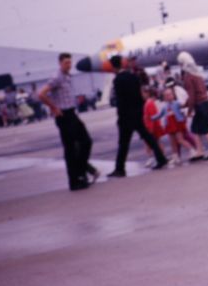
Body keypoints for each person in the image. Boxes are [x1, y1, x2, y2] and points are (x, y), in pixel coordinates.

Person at [37, 52, 98, 191]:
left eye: (70, 63)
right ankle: (75, 181)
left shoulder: (67, 76)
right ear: (60, 63)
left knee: (86, 141)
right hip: (64, 116)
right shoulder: (56, 77)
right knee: (70, 149)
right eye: (66, 63)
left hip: (71, 113)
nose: (69, 65)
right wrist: (53, 107)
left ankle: (81, 171)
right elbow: (41, 94)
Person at [109, 55, 168, 177]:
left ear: (113, 66)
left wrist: (120, 117)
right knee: (148, 138)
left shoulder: (117, 80)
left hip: (126, 116)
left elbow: (121, 101)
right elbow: (139, 96)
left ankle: (120, 169)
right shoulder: (133, 76)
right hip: (137, 113)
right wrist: (141, 110)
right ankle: (161, 159)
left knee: (123, 143)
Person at [178, 51, 208, 159]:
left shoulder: (188, 77)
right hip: (205, 102)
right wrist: (185, 105)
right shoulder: (197, 74)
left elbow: (192, 96)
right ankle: (201, 151)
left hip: (199, 104)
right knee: (196, 128)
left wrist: (188, 110)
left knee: (204, 128)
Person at [152, 86, 200, 163]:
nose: (169, 96)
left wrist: (188, 108)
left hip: (177, 124)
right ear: (164, 97)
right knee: (173, 142)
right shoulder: (165, 106)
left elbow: (184, 106)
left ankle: (192, 150)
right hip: (169, 125)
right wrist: (151, 118)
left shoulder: (177, 103)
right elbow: (159, 115)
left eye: (170, 94)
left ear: (173, 95)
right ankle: (176, 157)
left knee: (180, 140)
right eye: (166, 95)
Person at [141, 85, 169, 166]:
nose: (142, 95)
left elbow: (153, 117)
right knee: (156, 142)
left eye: (142, 93)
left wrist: (150, 128)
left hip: (152, 127)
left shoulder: (149, 103)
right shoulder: (149, 102)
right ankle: (160, 156)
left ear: (147, 93)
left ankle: (153, 157)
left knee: (150, 143)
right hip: (153, 126)